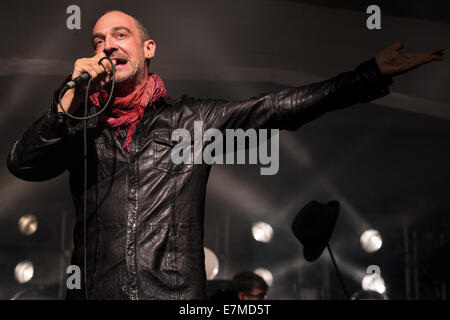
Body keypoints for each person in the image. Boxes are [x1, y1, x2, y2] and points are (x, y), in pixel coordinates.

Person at [6, 10, 444, 300]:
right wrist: (71, 99)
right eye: (98, 38)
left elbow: (276, 108)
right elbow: (22, 162)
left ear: (148, 49)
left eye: (120, 35)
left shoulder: (189, 120)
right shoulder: (81, 127)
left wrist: (367, 75)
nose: (107, 45)